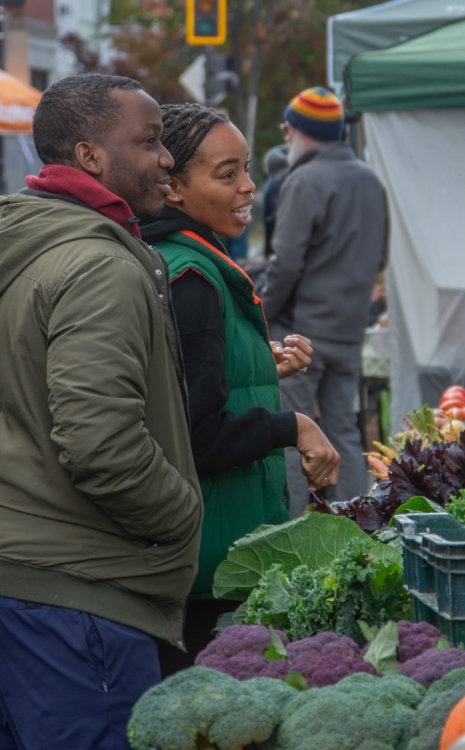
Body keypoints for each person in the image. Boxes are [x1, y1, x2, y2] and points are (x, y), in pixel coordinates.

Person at [0, 74, 201, 747]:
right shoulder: (97, 264)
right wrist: (182, 513)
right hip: (69, 591)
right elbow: (100, 443)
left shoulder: (16, 241)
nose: (165, 158)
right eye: (149, 141)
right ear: (88, 156)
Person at [141, 103, 341, 675]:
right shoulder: (193, 277)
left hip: (211, 552)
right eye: (226, 175)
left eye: (246, 170)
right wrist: (293, 425)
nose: (249, 186)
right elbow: (193, 432)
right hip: (207, 565)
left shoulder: (190, 261)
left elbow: (194, 383)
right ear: (173, 188)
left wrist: (259, 367)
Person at [260, 87, 388, 511]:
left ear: (297, 131)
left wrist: (260, 315)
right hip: (349, 330)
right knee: (344, 433)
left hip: (301, 335)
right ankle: (361, 526)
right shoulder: (371, 180)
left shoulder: (305, 180)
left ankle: (292, 533)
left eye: (286, 128)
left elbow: (285, 265)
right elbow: (381, 257)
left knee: (293, 438)